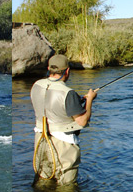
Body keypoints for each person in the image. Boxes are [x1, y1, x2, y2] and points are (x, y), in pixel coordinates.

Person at [30, 54, 96, 185]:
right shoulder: (68, 93)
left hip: (40, 139)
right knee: (66, 187)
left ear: (49, 68)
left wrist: (76, 103)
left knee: (43, 180)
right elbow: (82, 121)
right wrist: (89, 100)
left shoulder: (36, 85)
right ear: (67, 71)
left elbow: (50, 105)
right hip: (63, 144)